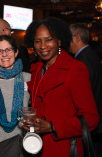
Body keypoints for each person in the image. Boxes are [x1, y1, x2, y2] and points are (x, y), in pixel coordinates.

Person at [23, 17, 99, 157]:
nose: (43, 46)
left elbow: (91, 119)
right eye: (38, 41)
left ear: (59, 41)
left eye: (49, 39)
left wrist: (52, 126)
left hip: (63, 148)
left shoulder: (75, 69)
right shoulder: (35, 70)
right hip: (35, 147)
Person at [70, 23, 102, 157]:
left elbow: (82, 95)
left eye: (68, 37)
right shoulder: (92, 54)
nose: (66, 41)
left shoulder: (82, 61)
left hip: (91, 123)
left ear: (77, 37)